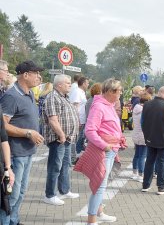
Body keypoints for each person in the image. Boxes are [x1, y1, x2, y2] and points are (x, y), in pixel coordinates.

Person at [74, 78, 125, 224]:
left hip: (111, 149)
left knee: (103, 184)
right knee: (100, 185)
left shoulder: (109, 104)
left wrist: (118, 139)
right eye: (119, 91)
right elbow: (90, 131)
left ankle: (99, 212)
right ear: (110, 92)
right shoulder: (99, 106)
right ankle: (92, 219)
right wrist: (105, 145)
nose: (121, 93)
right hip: (104, 151)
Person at [0, 60, 45, 225]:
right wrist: (28, 133)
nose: (39, 77)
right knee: (10, 196)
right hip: (15, 153)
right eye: (36, 73)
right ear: (25, 75)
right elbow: (2, 125)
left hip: (27, 152)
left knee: (21, 192)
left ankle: (14, 220)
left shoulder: (30, 93)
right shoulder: (11, 96)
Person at [42, 74, 80, 206]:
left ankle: (64, 190)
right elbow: (53, 119)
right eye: (68, 83)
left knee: (65, 165)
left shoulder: (64, 97)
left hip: (67, 138)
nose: (70, 85)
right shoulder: (53, 97)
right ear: (59, 85)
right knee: (55, 167)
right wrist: (61, 135)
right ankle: (49, 195)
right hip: (58, 139)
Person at [141, 86, 164, 195]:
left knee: (149, 161)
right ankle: (161, 187)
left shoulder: (147, 105)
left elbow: (142, 123)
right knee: (162, 162)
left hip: (150, 138)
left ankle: (145, 185)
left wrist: (147, 134)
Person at [130, 93, 152, 182]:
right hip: (143, 135)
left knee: (137, 155)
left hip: (136, 134)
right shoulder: (144, 111)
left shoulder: (136, 109)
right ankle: (140, 175)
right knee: (142, 156)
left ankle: (134, 173)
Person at [70, 77, 89, 157]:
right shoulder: (77, 91)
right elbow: (75, 106)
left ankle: (78, 154)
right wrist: (77, 120)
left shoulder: (82, 92)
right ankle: (75, 155)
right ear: (84, 83)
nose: (88, 85)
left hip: (82, 119)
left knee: (80, 138)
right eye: (87, 83)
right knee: (78, 138)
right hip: (79, 119)